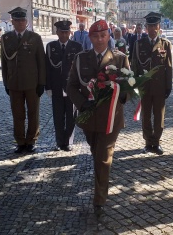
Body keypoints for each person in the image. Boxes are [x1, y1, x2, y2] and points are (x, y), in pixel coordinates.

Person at [66, 19, 129, 218]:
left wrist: (123, 93)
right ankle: (100, 185)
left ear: (109, 36)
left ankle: (99, 199)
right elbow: (71, 86)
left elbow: (128, 87)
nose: (100, 39)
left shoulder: (119, 59)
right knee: (96, 152)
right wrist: (83, 104)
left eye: (103, 35)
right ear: (90, 38)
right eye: (96, 36)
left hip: (111, 118)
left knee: (103, 157)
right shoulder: (81, 58)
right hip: (88, 116)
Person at [1, 7, 46, 153]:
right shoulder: (6, 39)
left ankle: (31, 140)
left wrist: (41, 83)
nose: (20, 23)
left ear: (26, 21)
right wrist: (6, 83)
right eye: (17, 20)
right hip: (14, 83)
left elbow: (41, 62)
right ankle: (20, 141)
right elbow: (4, 63)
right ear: (12, 22)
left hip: (32, 83)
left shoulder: (35, 38)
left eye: (22, 20)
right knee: (17, 114)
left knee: (33, 113)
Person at [131, 12, 173, 155]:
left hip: (160, 87)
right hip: (145, 87)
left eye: (155, 25)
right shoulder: (138, 44)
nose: (152, 28)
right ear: (146, 27)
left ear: (159, 26)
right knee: (146, 116)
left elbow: (168, 67)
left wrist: (168, 86)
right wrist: (135, 85)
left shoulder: (165, 44)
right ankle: (148, 142)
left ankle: (157, 142)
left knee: (159, 116)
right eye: (149, 26)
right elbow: (135, 66)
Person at [45, 20, 82, 151]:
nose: (64, 35)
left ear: (70, 32)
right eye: (62, 32)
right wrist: (47, 87)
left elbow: (80, 69)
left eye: (67, 32)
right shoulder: (51, 47)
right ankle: (59, 141)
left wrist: (80, 88)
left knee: (71, 116)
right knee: (58, 116)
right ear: (57, 32)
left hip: (71, 87)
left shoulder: (77, 47)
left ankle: (68, 141)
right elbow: (47, 68)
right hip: (56, 86)